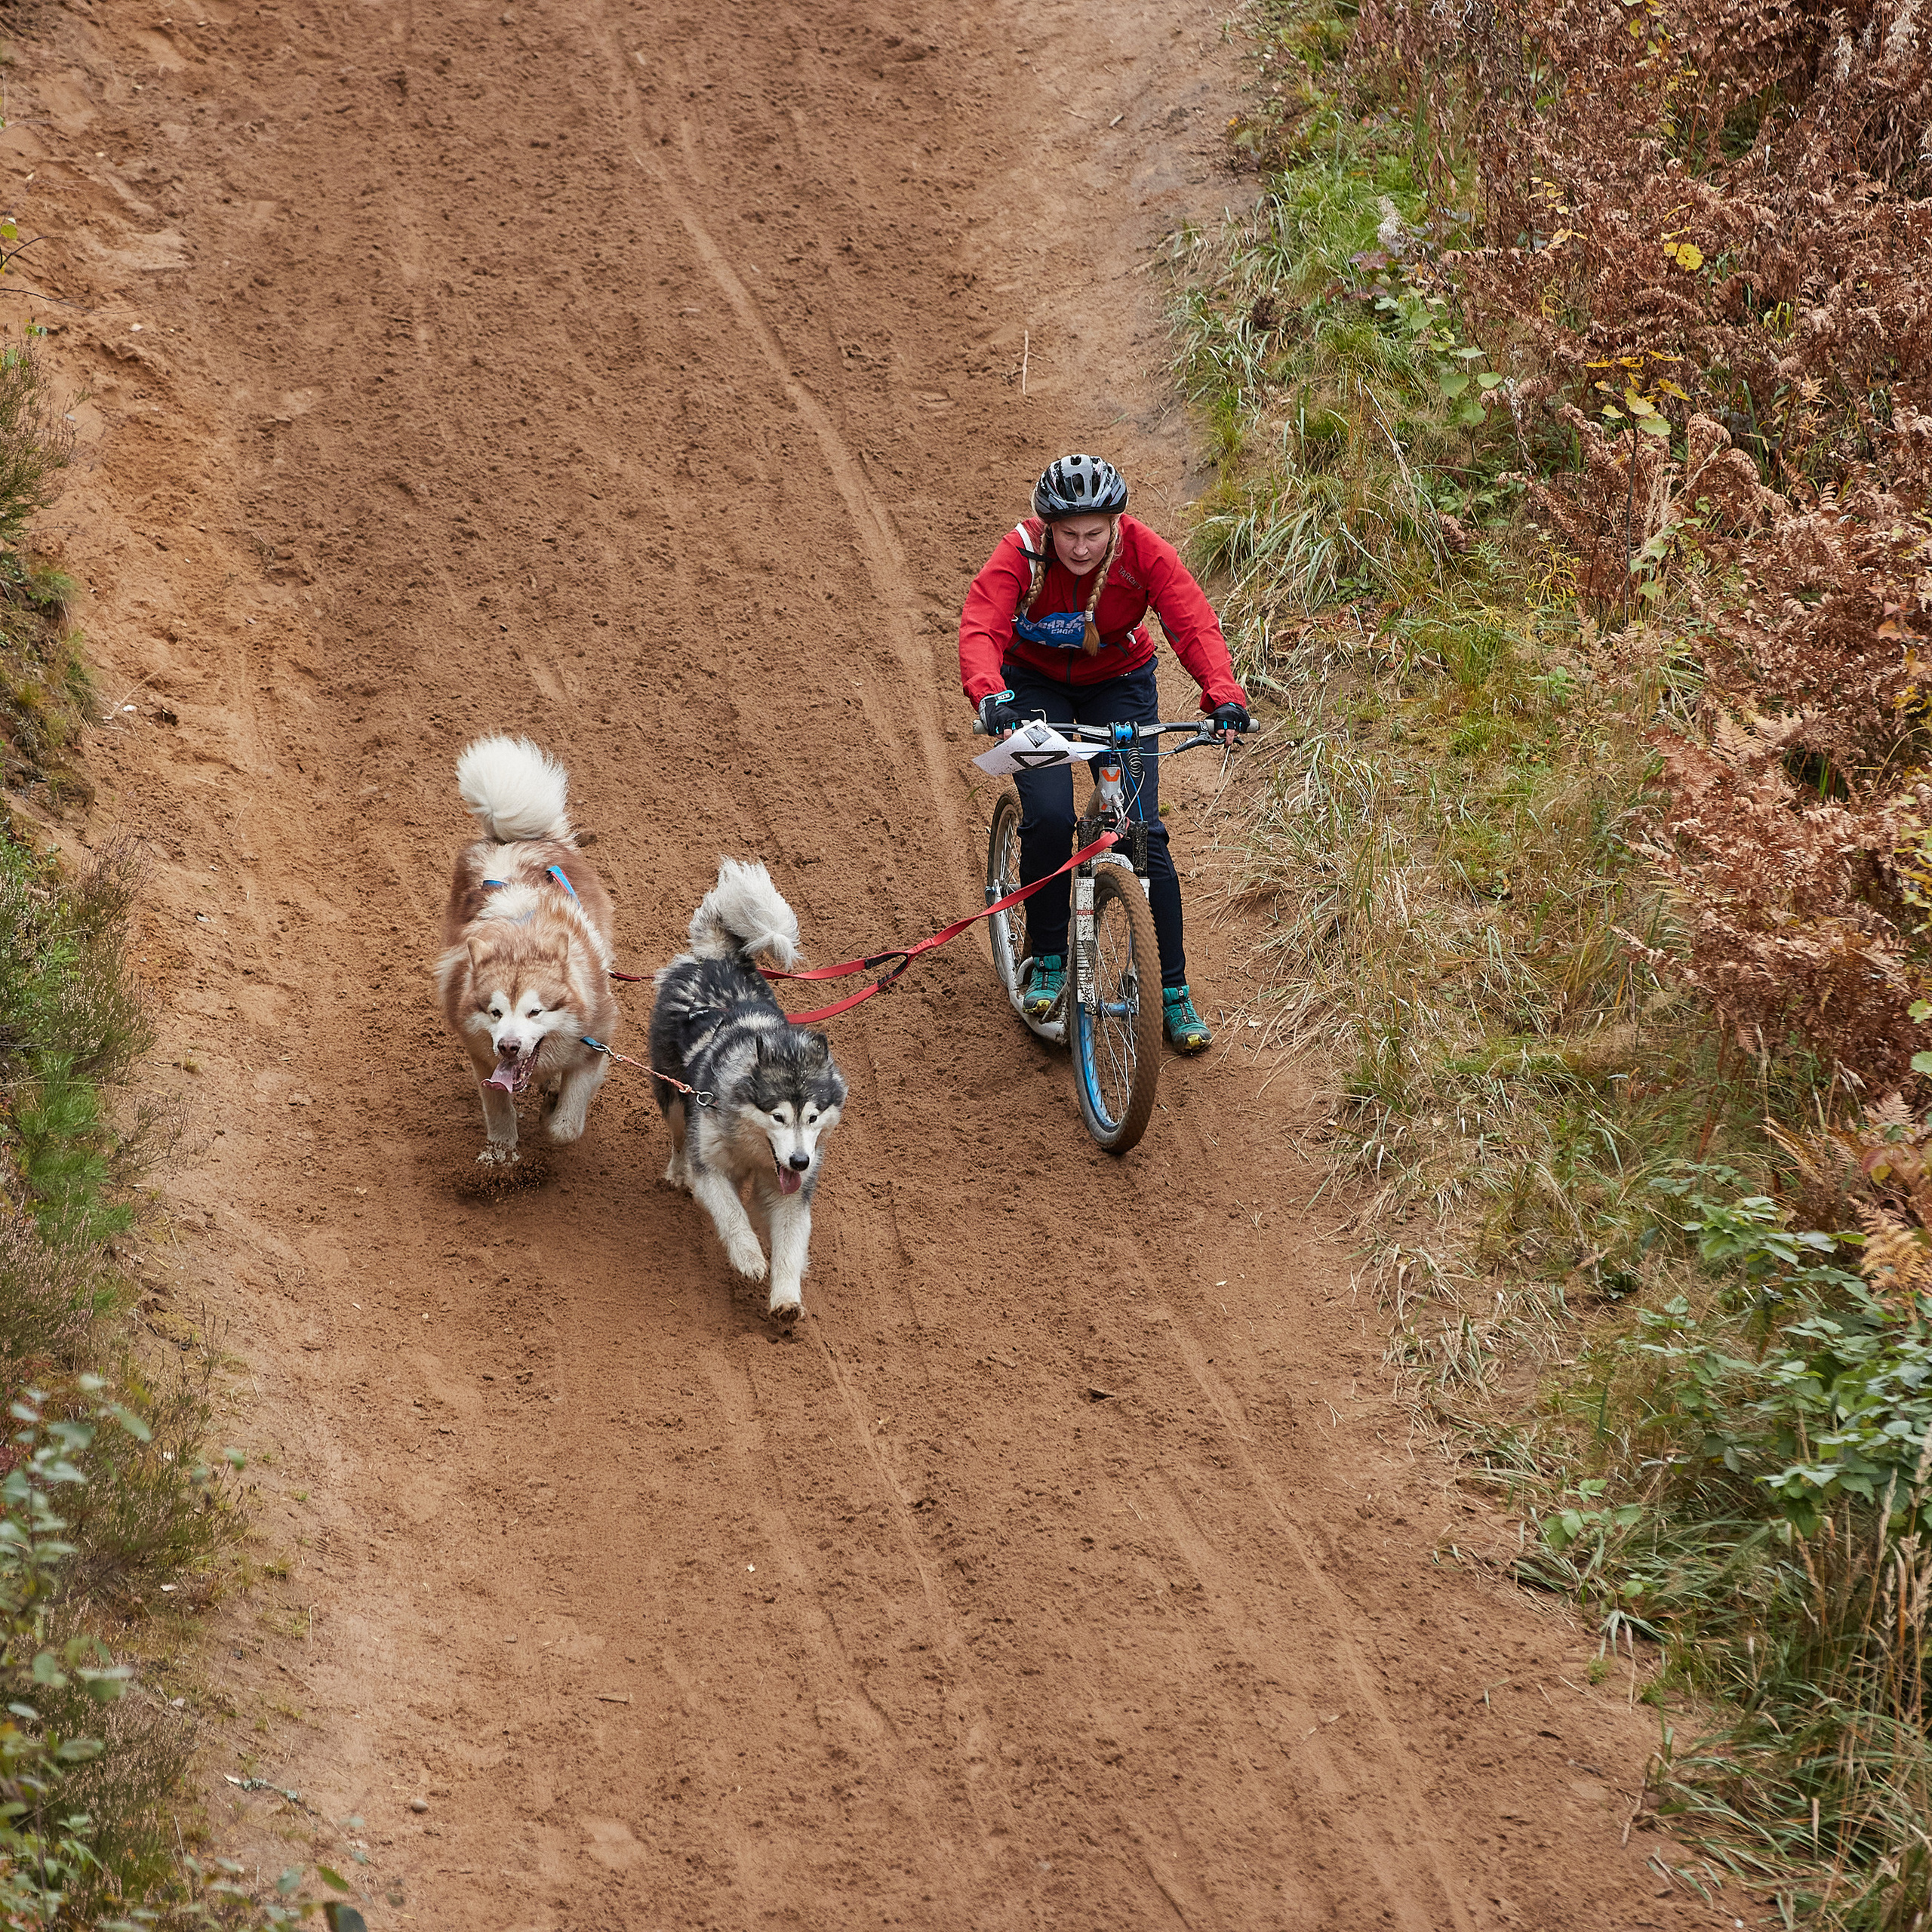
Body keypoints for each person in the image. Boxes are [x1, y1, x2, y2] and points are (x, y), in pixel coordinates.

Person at [958, 454, 1251, 1053]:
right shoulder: (1021, 552)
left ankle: (1172, 991)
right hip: (1033, 689)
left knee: (1144, 833)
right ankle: (1047, 960)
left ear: (1116, 523)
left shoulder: (1143, 550)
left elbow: (1191, 621)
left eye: (1095, 533)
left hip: (1120, 685)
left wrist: (1221, 694)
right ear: (1048, 527)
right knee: (1050, 817)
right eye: (1070, 534)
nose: (1083, 548)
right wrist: (991, 697)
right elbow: (983, 623)